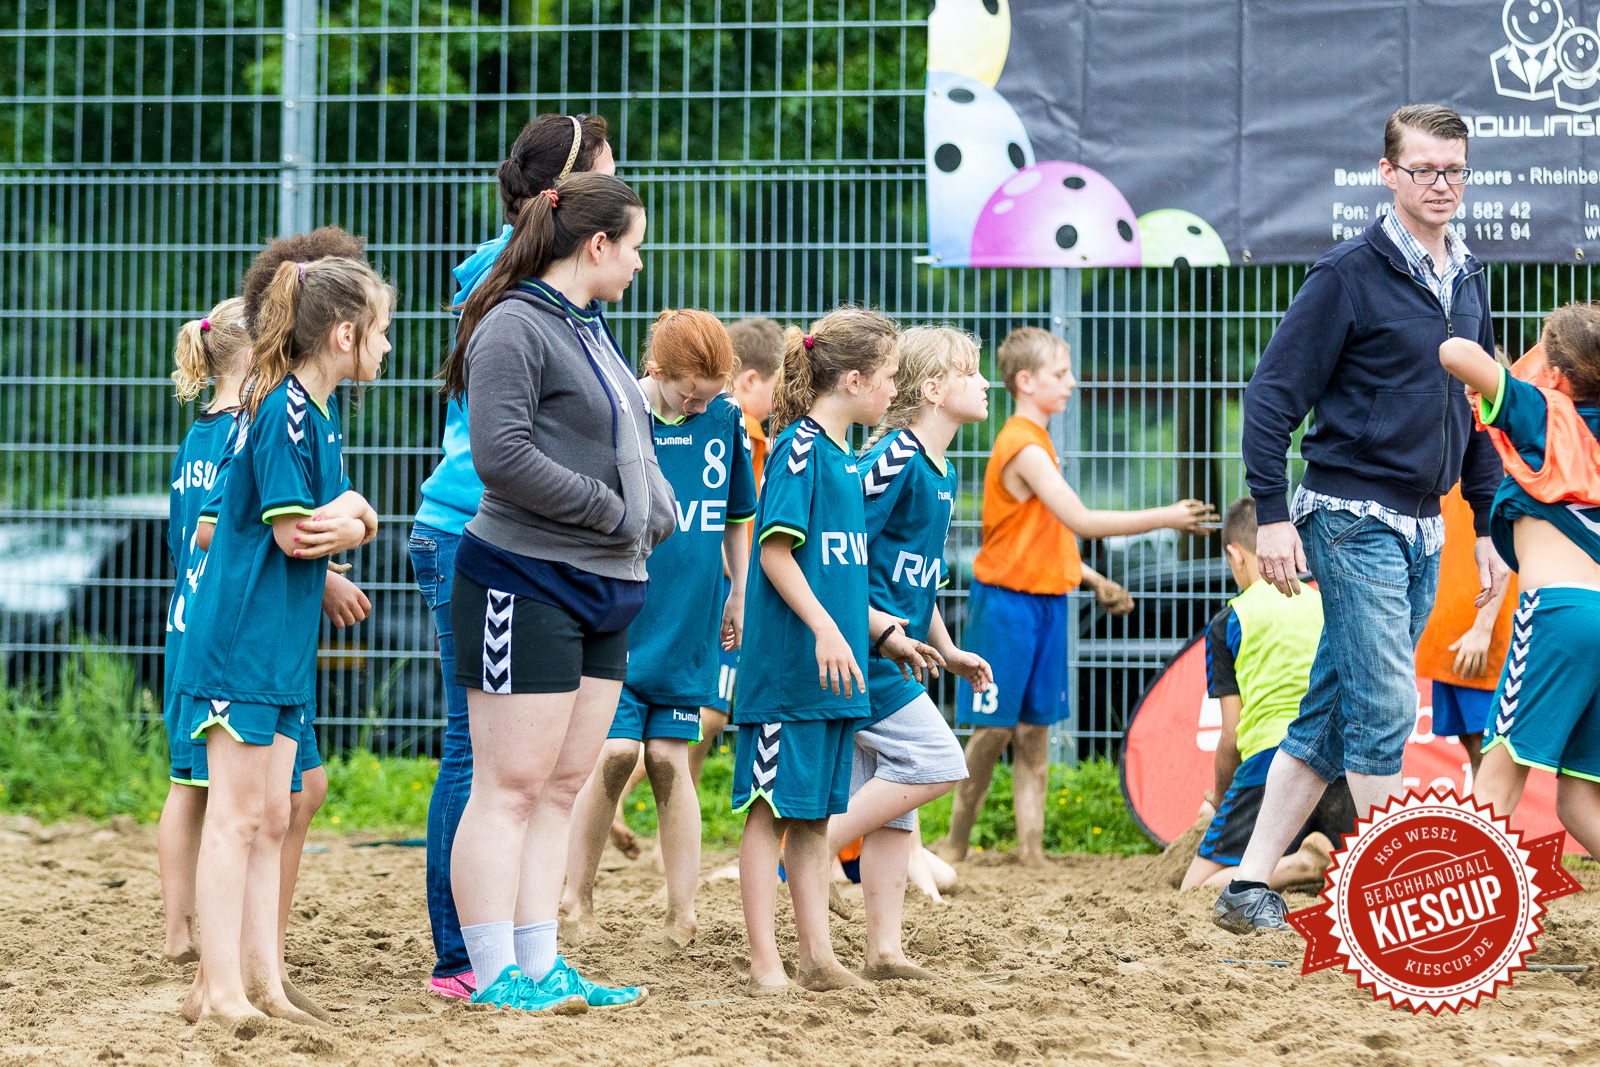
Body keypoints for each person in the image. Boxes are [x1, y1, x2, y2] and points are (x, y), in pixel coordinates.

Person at [1219, 104, 1508, 934]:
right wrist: (1272, 515)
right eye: (1424, 170)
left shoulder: (1468, 276)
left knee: (1332, 712)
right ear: (1388, 173)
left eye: (1454, 169)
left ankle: (1245, 884)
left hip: (1428, 523)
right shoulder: (1347, 272)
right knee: (1384, 705)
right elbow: (1272, 397)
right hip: (1348, 514)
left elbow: (1478, 406)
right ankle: (1397, 897)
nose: (1442, 184)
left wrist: (1485, 527)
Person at [439, 172, 672, 1013]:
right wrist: (613, 510)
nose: (641, 262)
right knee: (508, 784)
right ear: (597, 245)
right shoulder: (512, 324)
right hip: (524, 577)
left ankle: (540, 965)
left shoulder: (592, 329)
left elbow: (628, 437)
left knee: (564, 786)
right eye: (635, 245)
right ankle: (493, 971)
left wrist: (657, 509)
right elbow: (500, 456)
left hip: (605, 584)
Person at [409, 113, 615, 1001]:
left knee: (523, 768)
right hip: (481, 528)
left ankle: (514, 949)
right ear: (568, 194)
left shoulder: (546, 275)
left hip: (533, 533)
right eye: (609, 169)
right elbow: (506, 443)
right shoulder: (518, 279)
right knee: (483, 760)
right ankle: (466, 955)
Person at [173, 253, 389, 1021]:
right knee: (234, 818)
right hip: (241, 642)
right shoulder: (283, 411)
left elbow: (315, 533)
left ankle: (261, 981)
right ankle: (219, 987)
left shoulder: (315, 413)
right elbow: (301, 536)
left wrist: (357, 518)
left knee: (271, 815)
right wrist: (362, 511)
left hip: (282, 646)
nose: (387, 346)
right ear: (342, 334)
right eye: (381, 331)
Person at [939, 326, 1214, 865]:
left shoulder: (1037, 441)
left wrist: (1090, 579)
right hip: (1007, 604)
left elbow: (1043, 535)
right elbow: (1080, 520)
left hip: (1044, 600)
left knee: (1035, 731)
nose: (1071, 384)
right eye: (1059, 375)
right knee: (993, 731)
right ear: (1026, 381)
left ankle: (1031, 852)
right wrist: (1169, 516)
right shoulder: (1022, 443)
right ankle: (955, 842)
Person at [732, 307, 934, 995]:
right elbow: (776, 553)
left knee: (813, 814)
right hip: (789, 671)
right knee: (769, 807)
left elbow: (838, 571)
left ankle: (817, 956)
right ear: (852, 379)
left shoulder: (846, 458)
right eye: (887, 376)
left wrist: (878, 632)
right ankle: (766, 965)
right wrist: (824, 628)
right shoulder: (798, 449)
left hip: (831, 675)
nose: (893, 389)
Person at [560, 309, 756, 949]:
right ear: (655, 372)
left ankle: (683, 911)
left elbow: (734, 516)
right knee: (614, 754)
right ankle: (576, 897)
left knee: (672, 761)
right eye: (686, 393)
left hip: (689, 624)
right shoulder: (620, 412)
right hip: (623, 617)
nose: (697, 405)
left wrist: (738, 591)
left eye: (709, 394)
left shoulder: (725, 420)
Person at [821, 325, 994, 978]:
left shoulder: (941, 468)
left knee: (896, 811)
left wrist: (947, 650)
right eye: (971, 371)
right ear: (933, 389)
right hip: (861, 652)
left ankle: (884, 950)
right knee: (937, 762)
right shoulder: (895, 454)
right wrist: (875, 628)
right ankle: (809, 847)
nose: (984, 383)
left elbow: (919, 581)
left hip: (894, 653)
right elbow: (835, 546)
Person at [1439, 309, 1600, 858]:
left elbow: (1456, 353)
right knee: (1579, 800)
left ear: (1554, 372)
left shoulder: (1544, 413)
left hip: (1556, 615)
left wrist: (1510, 384)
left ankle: (1466, 933)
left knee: (1495, 781)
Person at [1180, 498, 1354, 891]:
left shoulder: (1231, 620)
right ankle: (1320, 861)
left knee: (1196, 888)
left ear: (1234, 555)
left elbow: (1231, 735)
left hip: (1270, 767)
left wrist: (1224, 804)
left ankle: (1301, 867)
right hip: (1340, 767)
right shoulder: (1324, 603)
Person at [158, 298, 252, 964]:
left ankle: (176, 933)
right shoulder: (248, 433)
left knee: (184, 786)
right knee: (231, 796)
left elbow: (178, 538)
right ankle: (232, 932)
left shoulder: (194, 439)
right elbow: (220, 533)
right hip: (223, 633)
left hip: (180, 626)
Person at [689, 315, 784, 784]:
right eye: (777, 384)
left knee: (709, 714)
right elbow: (733, 512)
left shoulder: (750, 433)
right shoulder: (738, 429)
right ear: (750, 380)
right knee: (706, 713)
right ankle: (621, 797)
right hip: (725, 589)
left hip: (726, 587)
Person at [1414, 482, 1516, 778]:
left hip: (1484, 640)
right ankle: (1483, 824)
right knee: (1476, 753)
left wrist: (1483, 629)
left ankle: (1487, 825)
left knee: (1492, 759)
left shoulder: (1498, 449)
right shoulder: (1446, 453)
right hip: (1447, 638)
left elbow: (1505, 541)